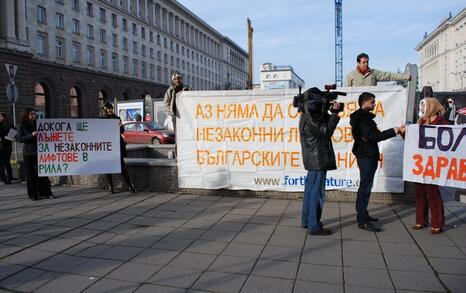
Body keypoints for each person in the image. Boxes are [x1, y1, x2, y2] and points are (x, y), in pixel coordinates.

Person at [350, 92, 405, 232]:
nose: (374, 104)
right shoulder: (362, 118)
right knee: (365, 188)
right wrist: (395, 130)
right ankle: (362, 220)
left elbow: (370, 137)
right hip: (366, 156)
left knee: (366, 187)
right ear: (364, 103)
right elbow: (374, 136)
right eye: (372, 102)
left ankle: (364, 215)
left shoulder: (362, 117)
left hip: (368, 155)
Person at [299, 89, 343, 235]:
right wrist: (335, 114)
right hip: (317, 160)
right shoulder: (311, 118)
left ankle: (307, 220)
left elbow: (321, 127)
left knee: (310, 191)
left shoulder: (307, 116)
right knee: (316, 194)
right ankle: (314, 226)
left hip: (313, 160)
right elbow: (326, 131)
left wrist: (327, 112)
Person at [413, 97, 449, 234]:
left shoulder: (442, 123)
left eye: (423, 106)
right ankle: (421, 220)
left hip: (433, 164)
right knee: (419, 192)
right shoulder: (420, 122)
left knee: (433, 193)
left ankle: (437, 223)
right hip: (419, 163)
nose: (421, 109)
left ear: (432, 107)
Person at [16, 108, 54, 200]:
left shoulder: (39, 123)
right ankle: (33, 195)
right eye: (31, 114)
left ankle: (46, 193)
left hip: (41, 151)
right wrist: (31, 135)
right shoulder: (22, 124)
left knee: (43, 173)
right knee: (31, 175)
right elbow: (20, 139)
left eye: (34, 114)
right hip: (28, 153)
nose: (33, 116)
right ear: (26, 115)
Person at [101, 102, 135, 193]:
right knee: (107, 167)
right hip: (107, 146)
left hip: (116, 145)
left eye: (111, 108)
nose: (110, 109)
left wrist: (119, 124)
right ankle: (111, 187)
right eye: (108, 108)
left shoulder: (116, 118)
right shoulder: (102, 119)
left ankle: (130, 185)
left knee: (122, 167)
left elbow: (122, 130)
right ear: (105, 110)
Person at [345, 53, 411, 87]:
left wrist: (404, 77)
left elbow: (388, 76)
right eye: (364, 62)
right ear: (358, 63)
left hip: (370, 107)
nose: (366, 64)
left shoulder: (373, 73)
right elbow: (346, 91)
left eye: (367, 62)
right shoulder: (351, 75)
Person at [0, 112, 15, 184]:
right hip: (0, 146)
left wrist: (9, 137)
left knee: (6, 162)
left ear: (4, 117)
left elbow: (14, 132)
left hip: (7, 146)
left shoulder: (9, 124)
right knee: (1, 163)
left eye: (1, 116)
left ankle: (9, 178)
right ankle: (3, 178)